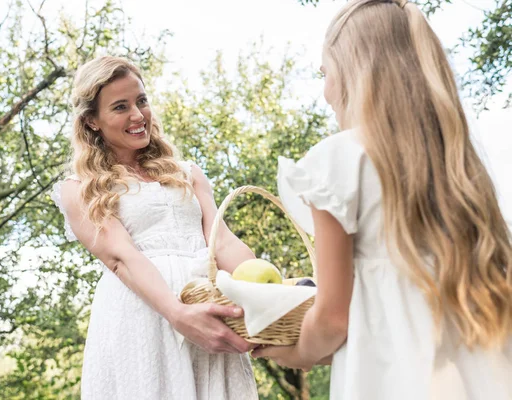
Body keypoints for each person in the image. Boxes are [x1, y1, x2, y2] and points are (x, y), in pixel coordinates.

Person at [253, 1, 512, 399]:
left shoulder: (338, 163)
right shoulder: (461, 171)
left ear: (356, 72)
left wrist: (295, 352)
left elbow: (333, 320)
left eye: (326, 73)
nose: (325, 94)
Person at [51, 56, 259, 399]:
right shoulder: (81, 189)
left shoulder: (187, 172)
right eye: (120, 107)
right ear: (92, 122)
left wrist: (271, 293)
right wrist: (178, 315)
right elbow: (122, 258)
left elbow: (220, 242)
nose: (138, 115)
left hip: (207, 306)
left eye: (141, 101)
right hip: (144, 320)